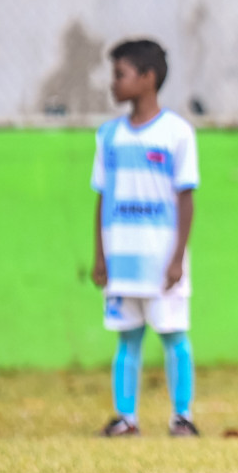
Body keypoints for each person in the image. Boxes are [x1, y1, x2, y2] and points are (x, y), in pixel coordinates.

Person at [91, 39, 199, 438]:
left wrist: (176, 258)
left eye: (120, 74)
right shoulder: (108, 137)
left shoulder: (177, 134)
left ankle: (182, 416)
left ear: (147, 78)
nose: (113, 84)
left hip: (161, 260)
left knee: (174, 337)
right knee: (127, 339)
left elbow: (185, 199)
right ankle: (125, 417)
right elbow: (101, 199)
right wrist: (99, 256)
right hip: (123, 261)